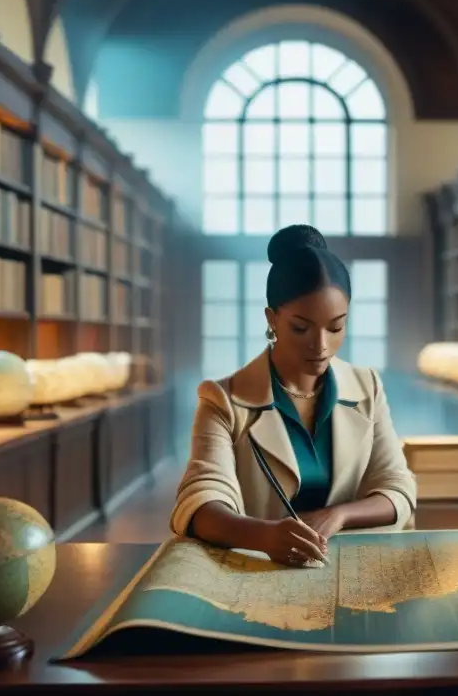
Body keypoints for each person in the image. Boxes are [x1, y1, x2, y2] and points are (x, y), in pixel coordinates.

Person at [171, 224, 416, 566]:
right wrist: (265, 535)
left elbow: (398, 490)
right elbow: (200, 503)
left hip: (353, 572)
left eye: (336, 327)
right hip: (261, 575)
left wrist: (339, 515)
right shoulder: (223, 399)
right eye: (301, 328)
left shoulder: (367, 387)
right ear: (272, 319)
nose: (321, 346)